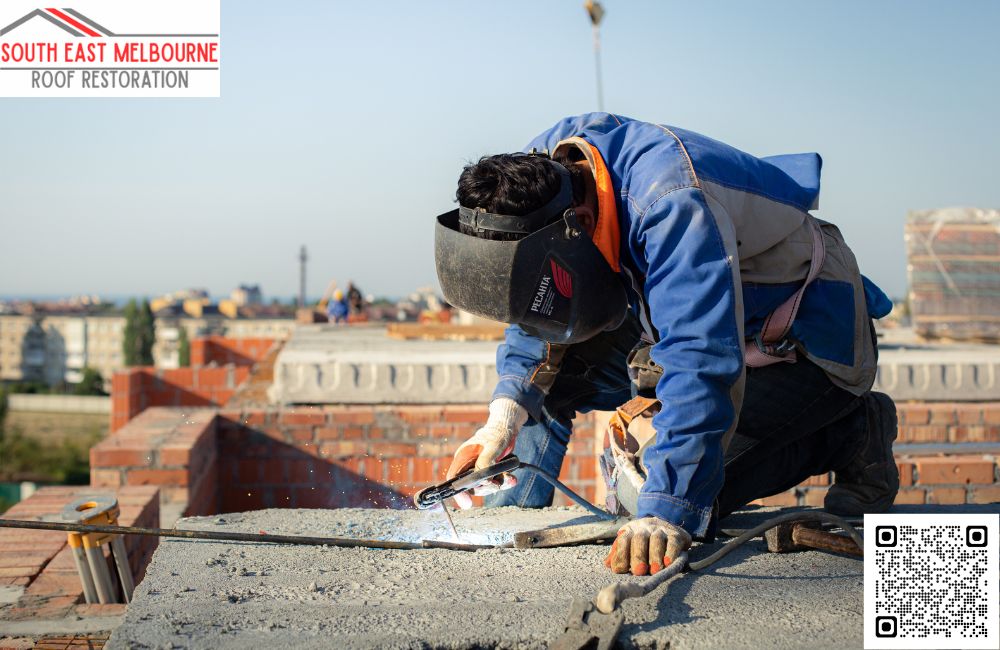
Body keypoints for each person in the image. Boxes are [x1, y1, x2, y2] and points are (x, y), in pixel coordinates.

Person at [432, 113, 898, 576]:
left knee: (670, 497)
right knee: (544, 389)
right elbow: (538, 310)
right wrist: (503, 418)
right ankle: (510, 516)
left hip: (805, 342)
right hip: (699, 324)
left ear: (579, 222)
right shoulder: (547, 172)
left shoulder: (671, 203)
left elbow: (701, 358)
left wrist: (665, 510)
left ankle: (852, 433)